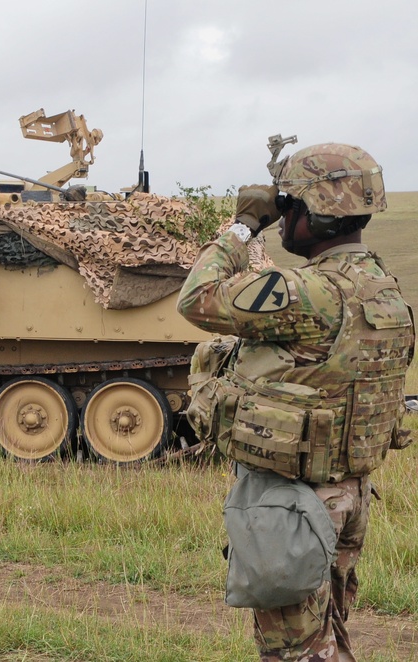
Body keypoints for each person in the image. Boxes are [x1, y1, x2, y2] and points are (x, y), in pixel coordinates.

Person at [177, 143, 414, 661]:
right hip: (349, 495)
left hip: (294, 505)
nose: (283, 218)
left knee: (294, 652)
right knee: (326, 639)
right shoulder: (385, 290)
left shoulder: (309, 291)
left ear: (318, 213)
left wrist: (243, 226)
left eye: (289, 205)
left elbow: (197, 297)